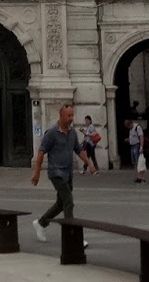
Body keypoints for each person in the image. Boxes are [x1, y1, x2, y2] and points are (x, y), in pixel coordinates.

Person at [32, 103, 97, 244]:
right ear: (60, 116)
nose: (71, 118)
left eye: (72, 115)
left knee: (60, 204)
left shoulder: (72, 133)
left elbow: (79, 150)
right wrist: (37, 172)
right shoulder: (52, 133)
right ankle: (72, 236)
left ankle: (41, 223)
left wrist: (90, 164)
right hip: (56, 173)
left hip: (68, 173)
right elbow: (41, 151)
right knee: (69, 202)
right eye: (68, 115)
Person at [127, 119, 146, 183]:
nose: (129, 128)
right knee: (135, 162)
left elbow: (141, 137)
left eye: (129, 126)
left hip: (136, 145)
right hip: (132, 145)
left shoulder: (137, 127)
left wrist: (141, 147)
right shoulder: (131, 128)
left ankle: (141, 177)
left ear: (131, 124)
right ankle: (138, 177)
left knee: (139, 162)